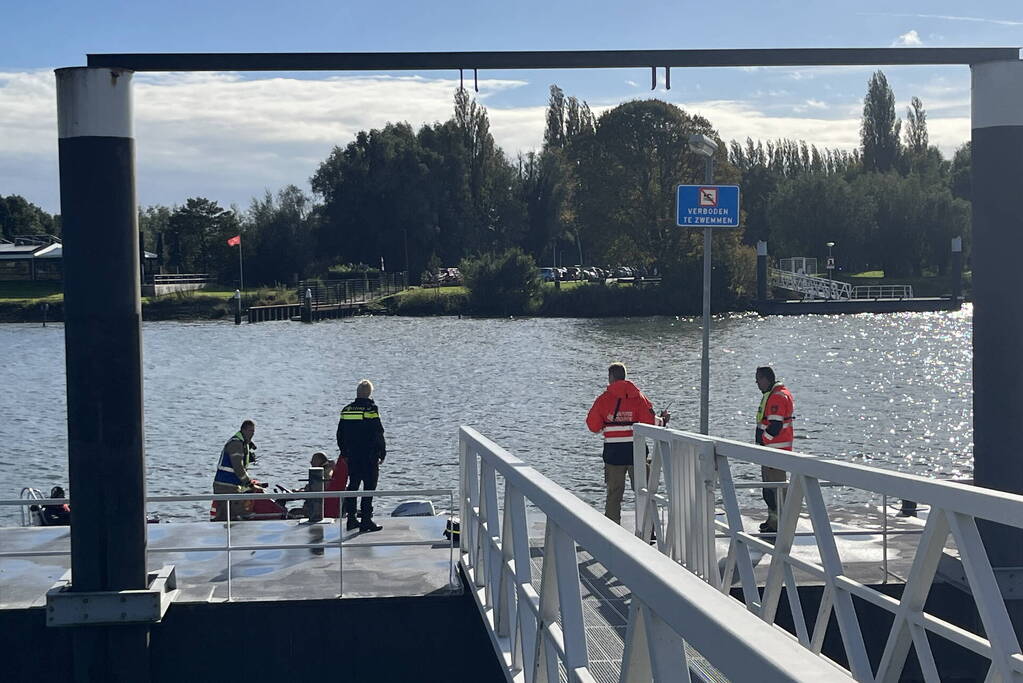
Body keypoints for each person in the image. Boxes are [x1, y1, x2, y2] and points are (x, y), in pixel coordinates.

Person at [586, 362, 669, 525]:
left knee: (614, 494)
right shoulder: (638, 397)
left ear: (611, 377)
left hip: (613, 454)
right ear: (624, 376)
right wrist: (663, 420)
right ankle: (648, 528)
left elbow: (593, 426)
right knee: (644, 492)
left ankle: (612, 529)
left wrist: (606, 424)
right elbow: (650, 422)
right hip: (636, 452)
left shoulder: (603, 399)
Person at [337, 379, 386, 532]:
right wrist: (382, 452)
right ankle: (366, 519)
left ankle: (351, 519)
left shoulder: (346, 410)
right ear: (369, 394)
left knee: (353, 486)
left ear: (357, 393)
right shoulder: (371, 409)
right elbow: (378, 432)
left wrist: (344, 452)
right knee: (369, 488)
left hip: (352, 456)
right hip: (369, 456)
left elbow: (340, 434)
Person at [754, 366, 796, 533]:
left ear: (765, 379)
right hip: (771, 451)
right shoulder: (774, 394)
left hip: (774, 451)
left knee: (776, 490)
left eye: (758, 379)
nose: (757, 383)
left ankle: (780, 525)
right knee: (769, 490)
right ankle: (773, 521)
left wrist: (764, 441)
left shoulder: (777, 396)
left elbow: (775, 426)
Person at [213, 419, 260, 520]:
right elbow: (238, 467)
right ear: (243, 430)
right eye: (250, 431)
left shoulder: (243, 444)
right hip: (225, 486)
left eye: (253, 431)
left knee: (229, 515)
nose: (252, 434)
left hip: (232, 486)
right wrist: (249, 483)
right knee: (229, 516)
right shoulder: (236, 444)